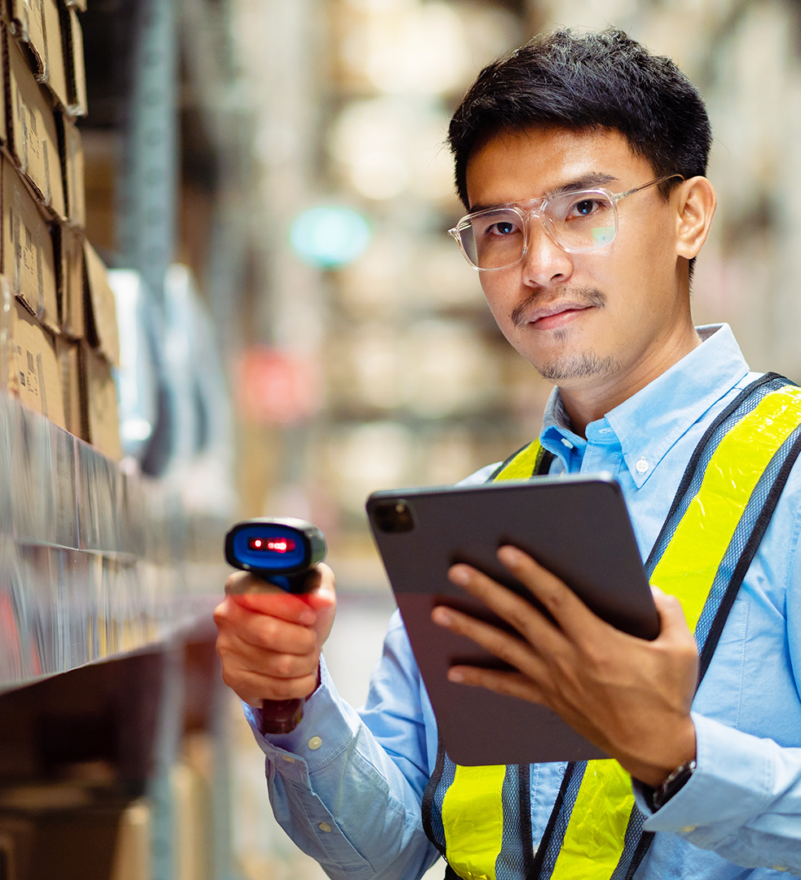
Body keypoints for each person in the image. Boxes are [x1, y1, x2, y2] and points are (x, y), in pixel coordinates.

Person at [215, 28, 801, 879]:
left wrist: (677, 756)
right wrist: (294, 699)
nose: (539, 266)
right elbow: (386, 854)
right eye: (498, 228)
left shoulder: (791, 475)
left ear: (689, 215)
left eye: (585, 209)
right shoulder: (474, 517)